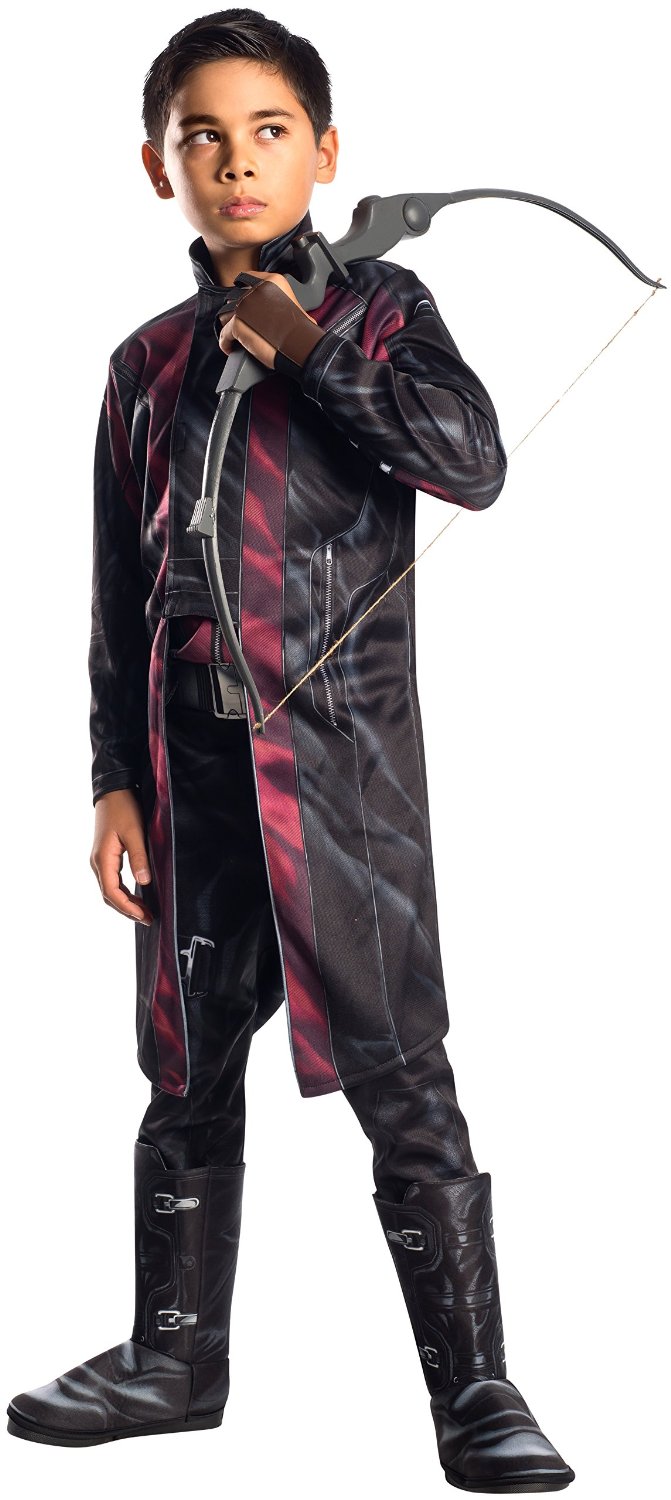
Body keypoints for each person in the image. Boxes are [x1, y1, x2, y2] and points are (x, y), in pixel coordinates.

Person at [6, 8, 575, 1489]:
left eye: (269, 132)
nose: (237, 162)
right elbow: (119, 597)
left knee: (401, 1069)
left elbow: (471, 461)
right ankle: (172, 1358)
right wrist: (111, 778)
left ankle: (479, 1392)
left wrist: (313, 350)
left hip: (341, 770)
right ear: (159, 167)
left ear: (326, 152)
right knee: (186, 1065)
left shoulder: (380, 311)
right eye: (202, 137)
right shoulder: (143, 364)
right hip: (191, 773)